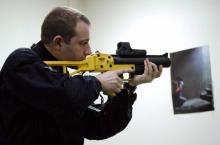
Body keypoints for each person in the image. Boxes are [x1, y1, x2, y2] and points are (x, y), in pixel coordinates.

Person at [0, 6, 162, 145]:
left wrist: (129, 86)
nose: (89, 51)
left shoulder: (63, 78)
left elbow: (99, 125)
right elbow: (60, 94)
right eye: (83, 43)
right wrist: (97, 82)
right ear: (58, 42)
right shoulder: (22, 62)